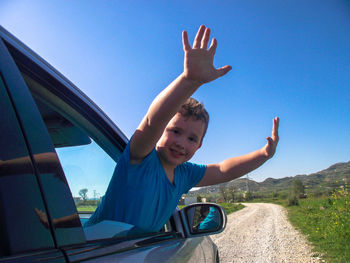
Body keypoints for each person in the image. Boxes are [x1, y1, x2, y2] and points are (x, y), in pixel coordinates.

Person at [85, 25, 279, 233]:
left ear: (199, 145)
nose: (181, 143)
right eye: (175, 131)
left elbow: (223, 170)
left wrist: (264, 154)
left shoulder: (185, 174)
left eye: (192, 139)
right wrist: (189, 81)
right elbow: (153, 121)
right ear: (161, 131)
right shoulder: (140, 158)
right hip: (90, 249)